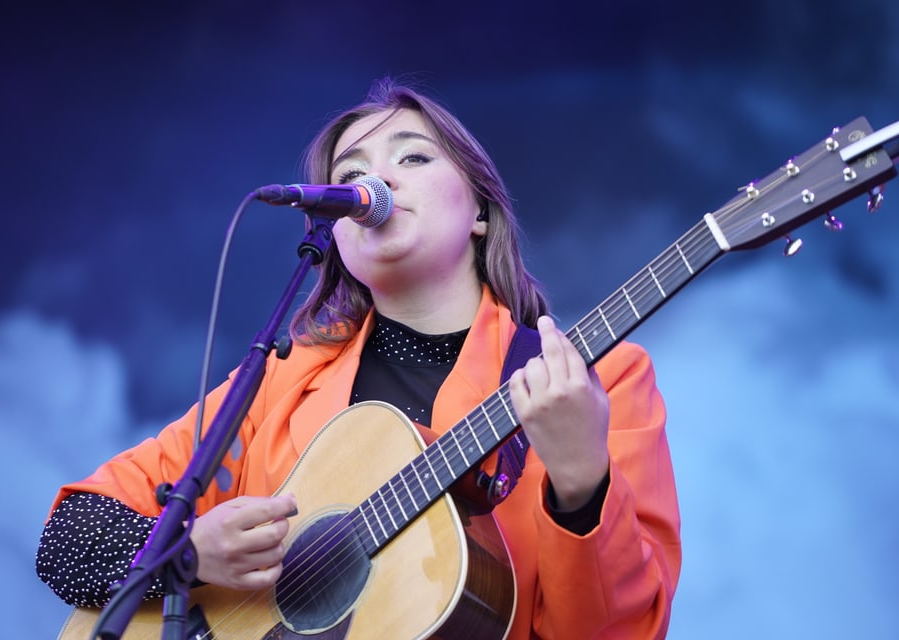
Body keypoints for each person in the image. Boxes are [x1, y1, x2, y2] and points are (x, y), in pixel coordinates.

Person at [37, 78, 681, 639]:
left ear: (480, 211)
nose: (377, 181)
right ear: (336, 229)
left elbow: (619, 631)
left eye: (414, 156)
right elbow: (67, 539)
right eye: (350, 176)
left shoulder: (598, 380)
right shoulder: (282, 379)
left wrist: (582, 487)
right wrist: (186, 555)